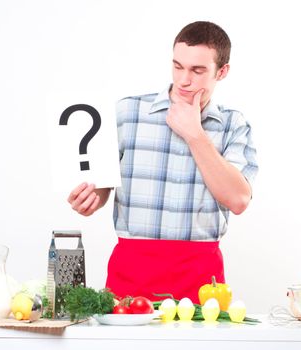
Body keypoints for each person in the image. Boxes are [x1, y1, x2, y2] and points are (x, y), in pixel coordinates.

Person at [68, 21, 258, 303]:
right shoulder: (127, 112)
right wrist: (91, 197)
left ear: (222, 72)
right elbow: (101, 186)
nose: (183, 80)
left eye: (197, 70)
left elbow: (239, 200)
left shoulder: (233, 124)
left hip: (202, 281)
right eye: (178, 66)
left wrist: (195, 134)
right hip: (130, 276)